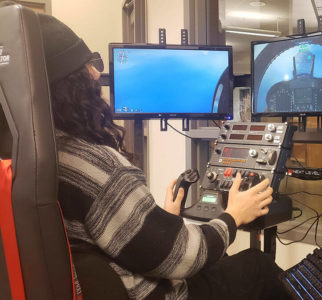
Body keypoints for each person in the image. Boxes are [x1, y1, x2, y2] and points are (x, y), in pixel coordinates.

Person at [36, 11, 290, 300]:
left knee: (222, 260)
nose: (97, 74)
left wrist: (162, 224)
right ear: (70, 85)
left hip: (120, 278)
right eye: (88, 66)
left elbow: (117, 239)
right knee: (258, 265)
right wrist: (233, 217)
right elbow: (182, 257)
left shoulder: (43, 155)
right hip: (156, 293)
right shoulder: (97, 166)